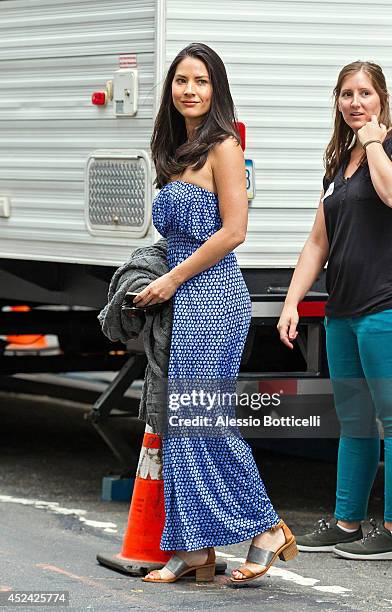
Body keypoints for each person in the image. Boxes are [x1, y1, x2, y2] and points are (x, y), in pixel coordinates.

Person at [132, 42, 298, 583]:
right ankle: (194, 550)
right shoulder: (175, 150)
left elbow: (234, 231)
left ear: (216, 89)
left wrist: (172, 279)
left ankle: (266, 527)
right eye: (182, 80)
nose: (190, 90)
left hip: (213, 297)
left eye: (201, 81)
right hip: (183, 298)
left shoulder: (224, 146)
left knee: (202, 419)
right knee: (182, 424)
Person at [277, 61, 392, 560]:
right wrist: (292, 302)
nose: (356, 103)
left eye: (365, 94)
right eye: (346, 94)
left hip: (389, 308)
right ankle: (347, 523)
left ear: (382, 98)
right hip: (343, 312)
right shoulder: (337, 164)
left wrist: (375, 142)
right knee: (352, 421)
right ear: (337, 101)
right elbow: (317, 242)